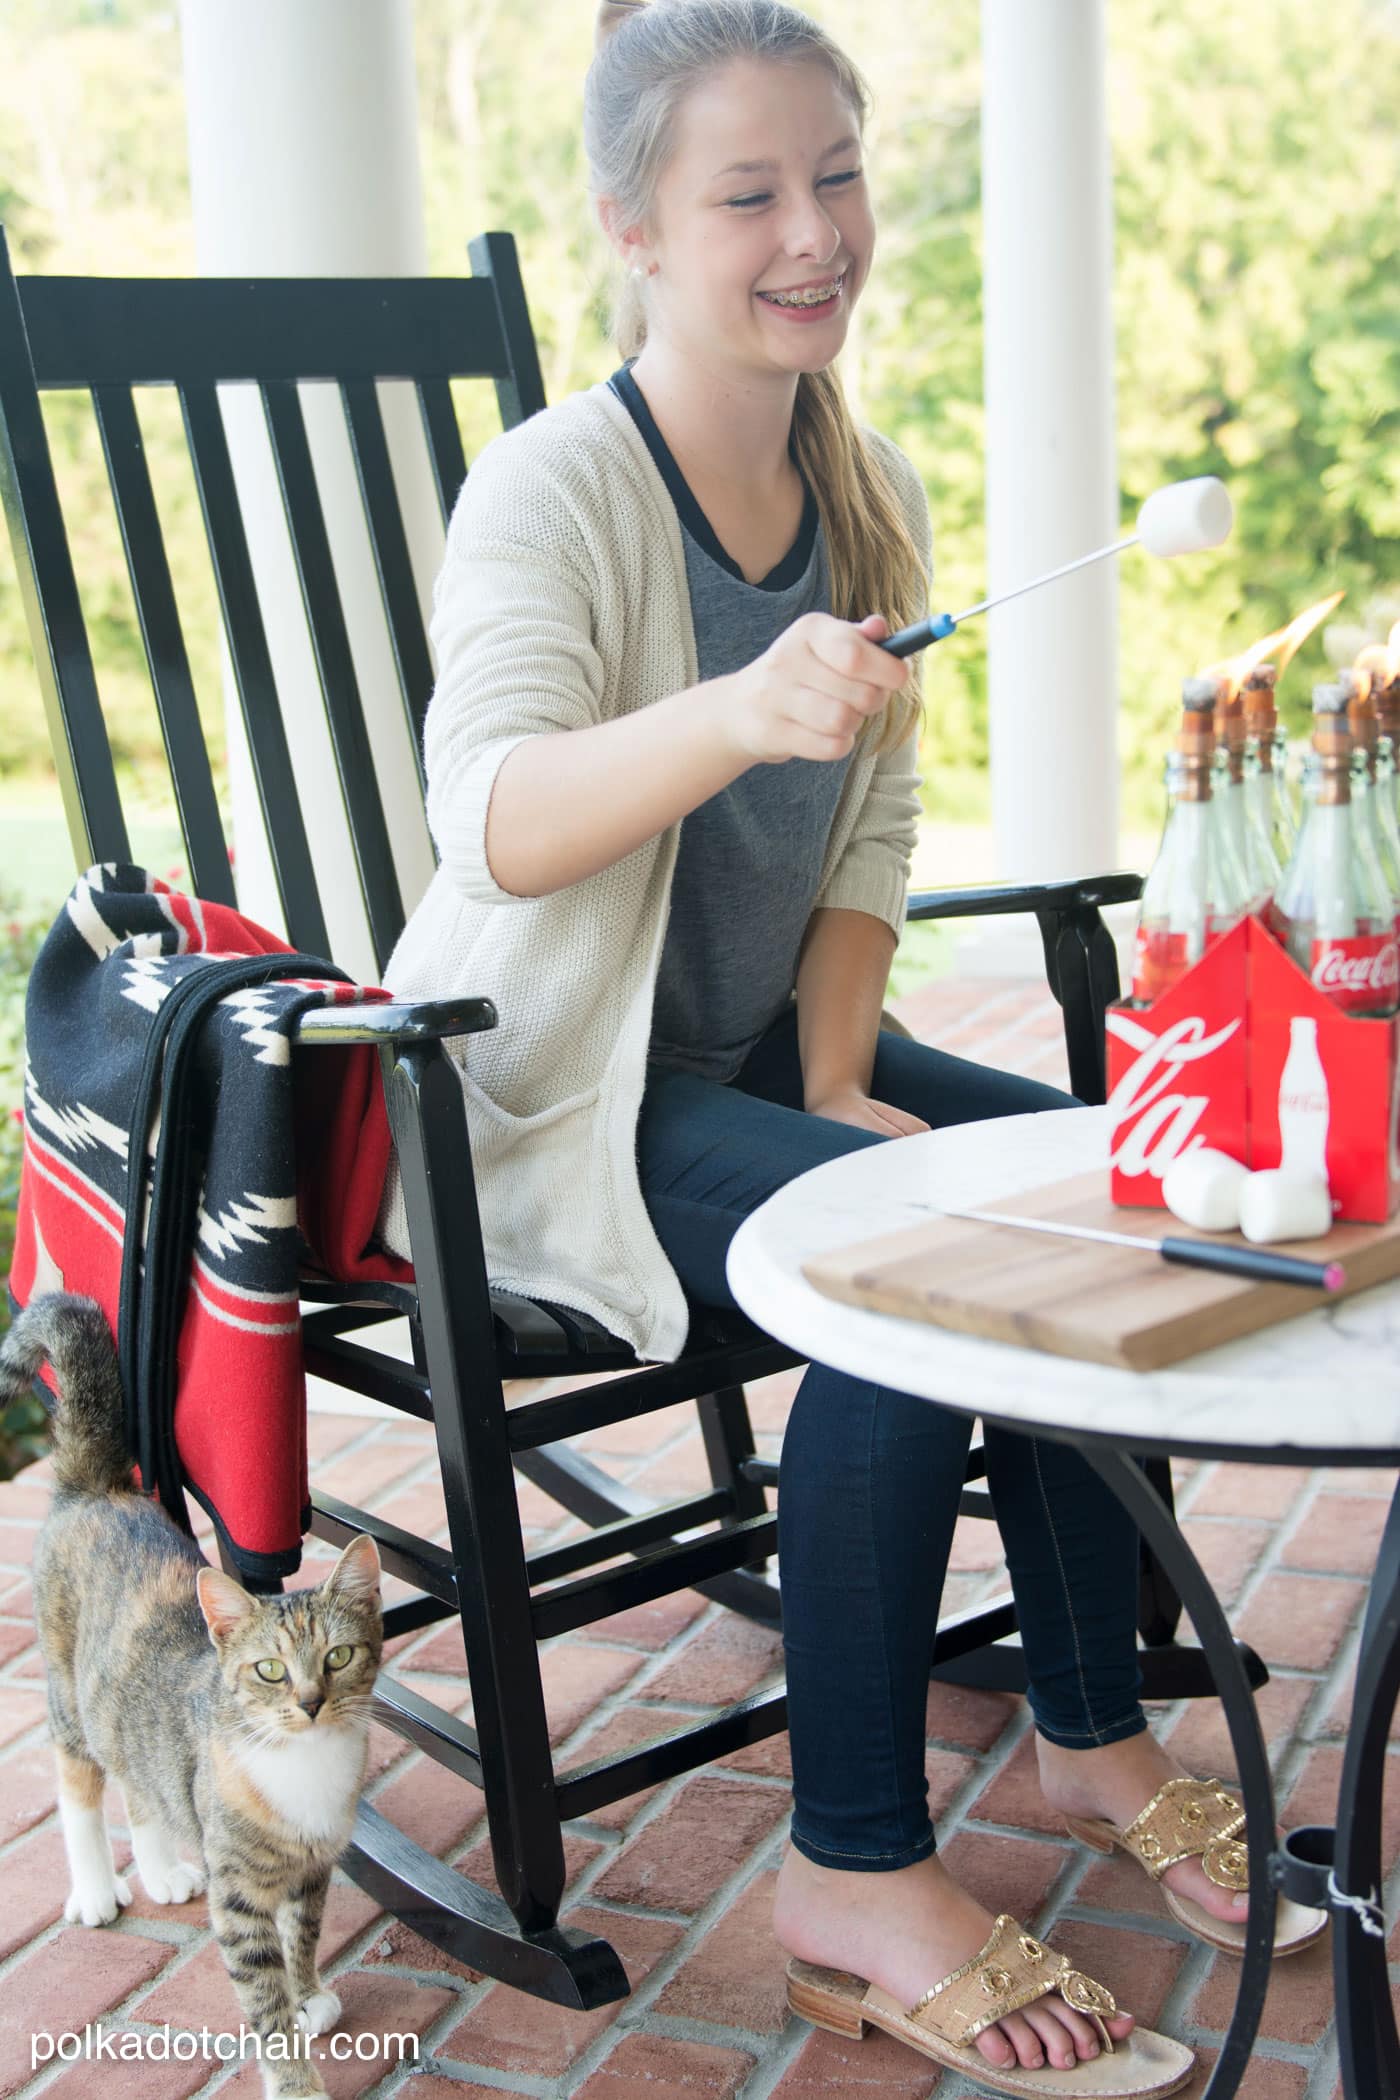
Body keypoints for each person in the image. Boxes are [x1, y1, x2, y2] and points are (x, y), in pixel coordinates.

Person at [377, 2, 1324, 2089]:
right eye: (747, 193)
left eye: (840, 171)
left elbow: (864, 839)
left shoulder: (857, 480)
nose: (813, 230)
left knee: (1108, 1180)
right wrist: (731, 711)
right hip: (549, 1091)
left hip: (740, 1068)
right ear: (630, 226)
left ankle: (1088, 1731)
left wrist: (831, 1085)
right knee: (902, 1279)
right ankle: (850, 1866)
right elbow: (493, 818)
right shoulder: (550, 486)